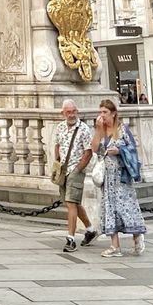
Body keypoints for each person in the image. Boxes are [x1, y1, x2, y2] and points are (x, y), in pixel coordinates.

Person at [91, 97, 146, 258]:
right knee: (110, 209)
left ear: (113, 113)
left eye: (105, 112)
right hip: (108, 178)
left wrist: (120, 151)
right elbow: (95, 148)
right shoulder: (101, 130)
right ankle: (115, 246)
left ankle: (137, 235)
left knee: (126, 207)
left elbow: (132, 149)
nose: (102, 115)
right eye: (101, 112)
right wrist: (97, 130)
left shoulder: (122, 129)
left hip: (121, 176)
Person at [54, 99, 99, 254]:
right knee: (72, 202)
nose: (71, 114)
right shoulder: (60, 127)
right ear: (63, 113)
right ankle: (90, 229)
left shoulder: (84, 129)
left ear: (77, 111)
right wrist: (57, 163)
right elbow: (57, 145)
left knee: (71, 202)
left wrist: (78, 169)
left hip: (76, 169)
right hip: (64, 170)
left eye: (74, 111)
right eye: (68, 112)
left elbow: (88, 152)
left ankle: (71, 239)